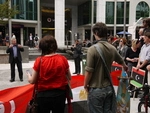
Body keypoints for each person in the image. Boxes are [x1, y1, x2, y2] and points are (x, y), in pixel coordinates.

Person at [84, 22, 128, 113]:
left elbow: (89, 71)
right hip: (109, 88)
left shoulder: (92, 49)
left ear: (96, 33)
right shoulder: (112, 48)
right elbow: (123, 64)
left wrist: (85, 85)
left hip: (96, 88)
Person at [27, 35, 72, 113]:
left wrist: (28, 75)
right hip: (60, 95)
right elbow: (69, 77)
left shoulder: (39, 60)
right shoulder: (63, 59)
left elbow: (32, 81)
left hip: (43, 96)